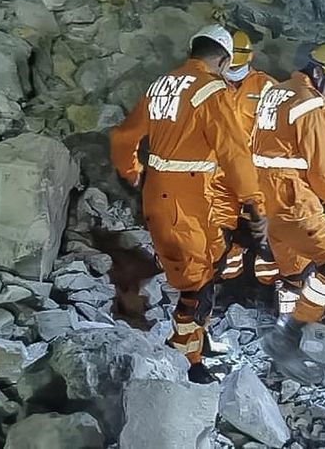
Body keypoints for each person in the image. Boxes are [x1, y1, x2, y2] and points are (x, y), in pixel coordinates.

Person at [110, 25, 264, 383]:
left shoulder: (161, 85)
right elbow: (233, 152)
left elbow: (123, 136)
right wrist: (254, 203)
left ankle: (196, 338)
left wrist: (132, 171)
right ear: (224, 59)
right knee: (197, 282)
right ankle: (187, 362)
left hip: (160, 190)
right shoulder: (212, 90)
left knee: (204, 269)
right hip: (189, 195)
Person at [252, 42, 325, 384]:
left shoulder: (274, 93)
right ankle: (286, 336)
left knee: (293, 274)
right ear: (317, 73)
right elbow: (323, 169)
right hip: (292, 200)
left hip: (267, 198)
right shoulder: (310, 103)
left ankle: (286, 341)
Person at [211, 29, 279, 284]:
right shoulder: (212, 85)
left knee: (262, 226)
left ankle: (267, 277)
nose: (233, 71)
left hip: (256, 171)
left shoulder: (266, 86)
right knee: (224, 228)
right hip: (220, 172)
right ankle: (230, 282)